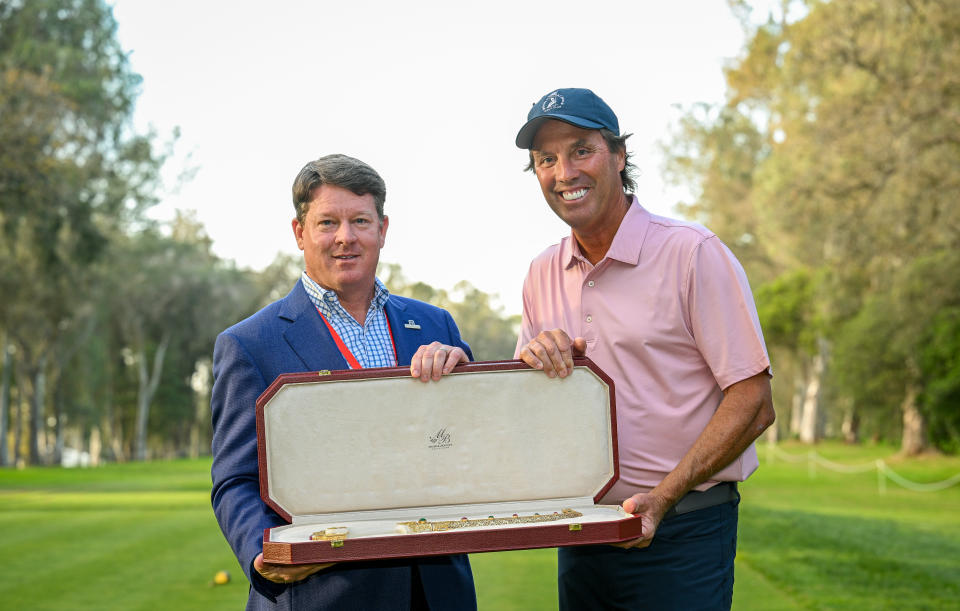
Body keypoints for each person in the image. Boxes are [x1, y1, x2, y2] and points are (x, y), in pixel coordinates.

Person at [513, 88, 776, 609]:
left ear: (619, 155)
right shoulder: (541, 272)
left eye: (581, 150)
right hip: (585, 536)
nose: (564, 172)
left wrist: (660, 499)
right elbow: (533, 414)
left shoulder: (692, 253)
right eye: (546, 159)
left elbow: (754, 401)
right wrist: (530, 367)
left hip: (684, 531)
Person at [210, 154, 476, 610]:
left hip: (437, 592)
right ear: (300, 233)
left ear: (383, 229)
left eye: (360, 221)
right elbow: (235, 479)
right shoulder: (250, 344)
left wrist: (470, 381)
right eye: (327, 222)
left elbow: (473, 444)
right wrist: (262, 553)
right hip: (319, 595)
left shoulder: (436, 326)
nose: (345, 238)